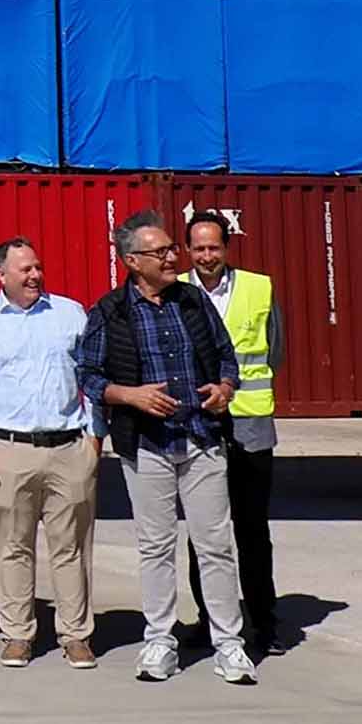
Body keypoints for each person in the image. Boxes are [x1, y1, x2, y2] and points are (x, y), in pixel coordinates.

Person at [82, 213, 254, 686]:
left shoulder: (193, 302)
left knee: (215, 546)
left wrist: (224, 387)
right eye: (161, 253)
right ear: (132, 261)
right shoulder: (111, 311)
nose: (173, 257)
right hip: (148, 447)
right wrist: (129, 395)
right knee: (155, 547)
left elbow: (226, 356)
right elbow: (89, 376)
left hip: (200, 440)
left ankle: (229, 644)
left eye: (171, 250)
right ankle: (159, 640)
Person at [0, 237, 98, 672]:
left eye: (37, 267)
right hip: (8, 450)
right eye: (24, 270)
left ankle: (76, 635)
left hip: (68, 446)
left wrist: (94, 439)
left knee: (71, 547)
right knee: (12, 546)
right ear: (1, 275)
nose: (35, 275)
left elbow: (92, 376)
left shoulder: (71, 314)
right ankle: (17, 635)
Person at [185, 213, 283, 655]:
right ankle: (209, 621)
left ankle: (264, 624)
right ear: (188, 251)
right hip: (197, 424)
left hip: (249, 423)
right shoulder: (176, 292)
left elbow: (274, 350)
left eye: (214, 248)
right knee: (203, 532)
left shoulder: (259, 288)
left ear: (227, 248)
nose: (207, 257)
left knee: (251, 529)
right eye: (199, 249)